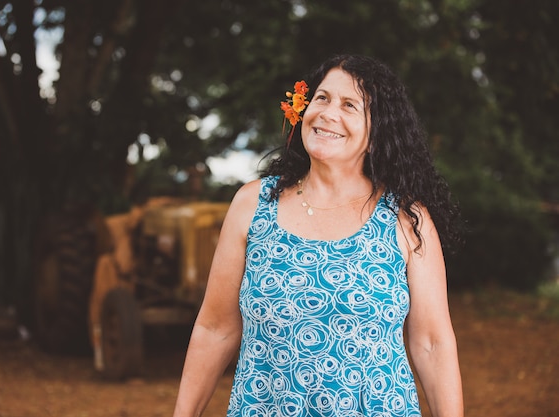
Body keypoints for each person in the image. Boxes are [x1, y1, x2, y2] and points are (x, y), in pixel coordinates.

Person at [173, 54, 464, 417]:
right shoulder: (254, 204)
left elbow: (432, 344)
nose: (328, 112)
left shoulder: (406, 218)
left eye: (349, 105)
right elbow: (215, 328)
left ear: (376, 135)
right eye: (322, 98)